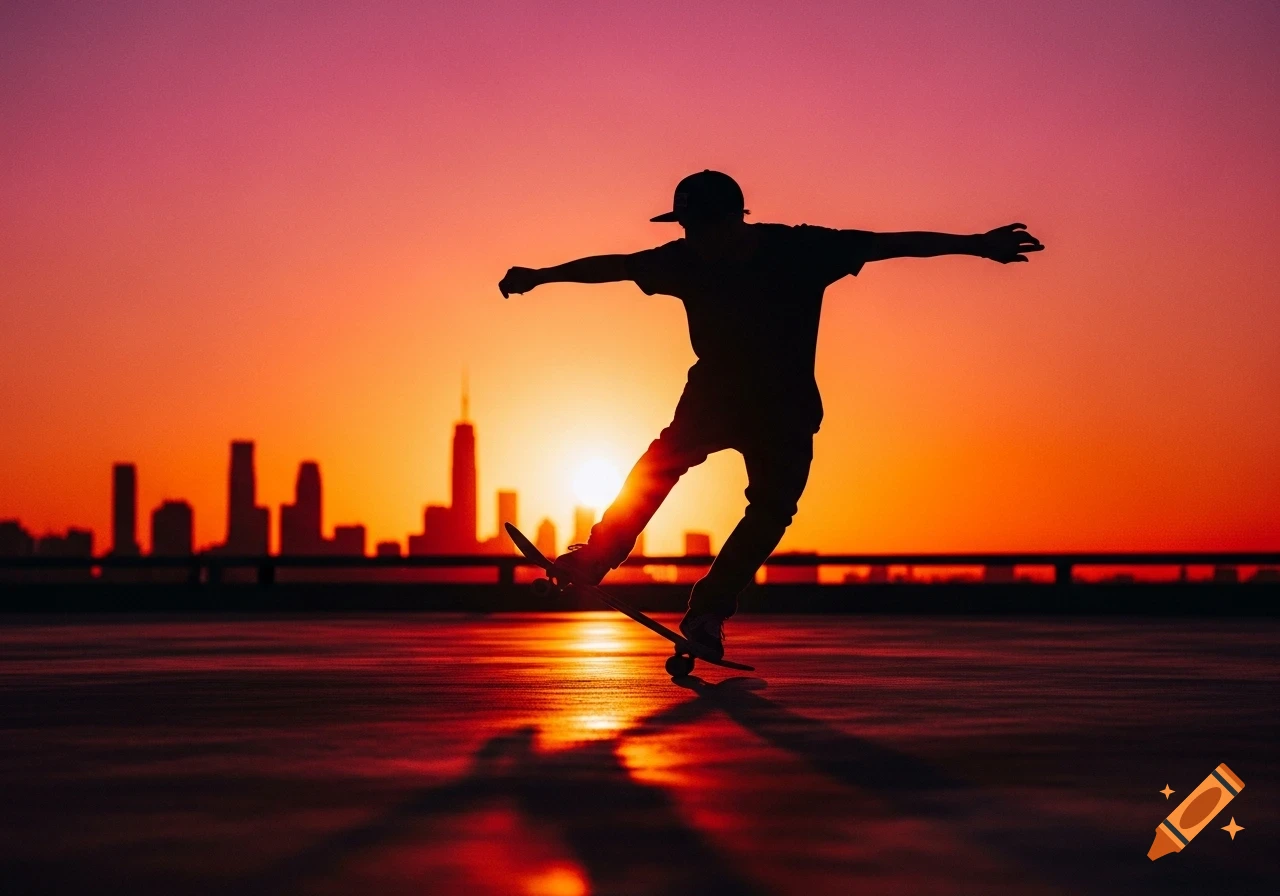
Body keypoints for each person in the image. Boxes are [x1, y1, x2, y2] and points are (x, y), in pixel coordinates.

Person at [499, 170, 1043, 659]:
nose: (696, 241)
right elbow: (614, 267)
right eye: (688, 229)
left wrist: (976, 245)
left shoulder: (802, 249)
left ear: (735, 220)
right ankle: (596, 559)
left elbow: (890, 245)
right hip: (715, 398)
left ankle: (708, 611)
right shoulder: (682, 258)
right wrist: (542, 276)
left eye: (703, 229)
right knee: (659, 466)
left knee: (771, 509)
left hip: (783, 409)